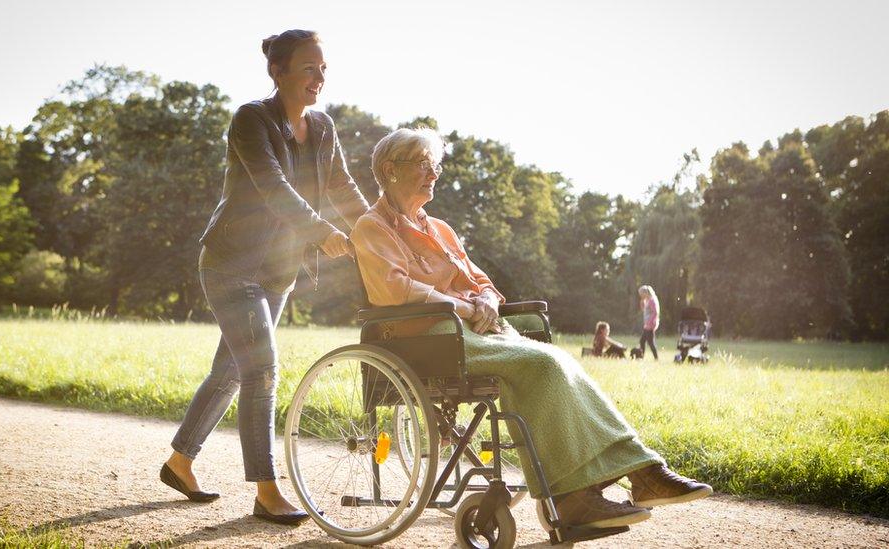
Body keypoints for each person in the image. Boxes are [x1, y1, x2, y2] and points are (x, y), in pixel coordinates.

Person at [351, 128, 711, 529]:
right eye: (423, 164)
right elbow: (396, 289)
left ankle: (633, 474)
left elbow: (481, 281)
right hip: (425, 336)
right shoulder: (371, 228)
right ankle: (585, 494)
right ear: (390, 170)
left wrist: (485, 299)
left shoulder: (441, 229)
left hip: (468, 328)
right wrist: (466, 306)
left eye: (435, 164)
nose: (433, 173)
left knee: (554, 360)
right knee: (542, 365)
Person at [160, 29, 369, 525]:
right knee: (261, 371)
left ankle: (179, 462)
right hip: (231, 264)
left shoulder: (322, 128)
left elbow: (343, 186)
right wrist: (322, 232)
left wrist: (381, 230)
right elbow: (274, 187)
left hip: (276, 271)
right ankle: (266, 490)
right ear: (278, 72)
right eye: (308, 67)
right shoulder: (251, 120)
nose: (319, 77)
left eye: (323, 67)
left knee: (231, 371)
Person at [638, 285, 660, 360]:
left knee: (650, 342)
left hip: (650, 325)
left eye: (641, 294)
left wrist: (650, 322)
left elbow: (655, 312)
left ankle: (656, 358)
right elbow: (645, 311)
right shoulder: (647, 300)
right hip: (647, 324)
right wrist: (642, 303)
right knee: (642, 341)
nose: (640, 295)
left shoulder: (652, 300)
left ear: (645, 293)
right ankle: (641, 356)